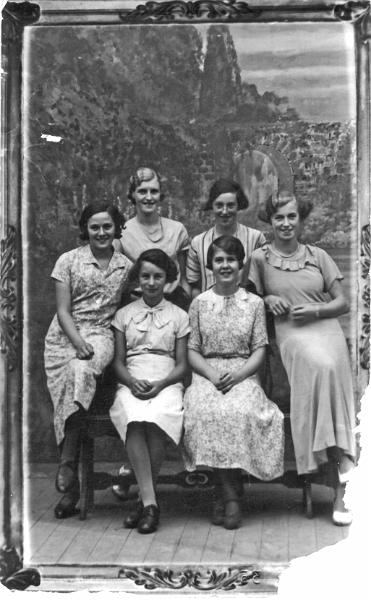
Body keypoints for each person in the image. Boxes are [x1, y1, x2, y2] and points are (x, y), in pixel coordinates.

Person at [248, 191, 356, 526]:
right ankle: (341, 461)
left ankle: (340, 475)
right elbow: (248, 298)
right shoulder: (260, 259)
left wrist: (317, 309)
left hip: (324, 326)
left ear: (301, 220)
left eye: (291, 217)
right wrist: (267, 299)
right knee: (319, 366)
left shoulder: (318, 255)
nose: (285, 223)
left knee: (332, 365)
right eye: (279, 217)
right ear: (270, 221)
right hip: (291, 332)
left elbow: (343, 303)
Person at [182, 235, 284, 530]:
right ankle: (231, 497)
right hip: (207, 374)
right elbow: (193, 349)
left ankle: (222, 494)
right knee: (204, 411)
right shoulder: (200, 303)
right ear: (210, 265)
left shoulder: (252, 303)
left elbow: (260, 349)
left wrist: (239, 376)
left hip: (244, 373)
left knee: (241, 412)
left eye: (231, 260)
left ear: (241, 265)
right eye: (219, 260)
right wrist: (212, 376)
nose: (225, 265)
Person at [44, 202, 132, 519]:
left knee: (82, 371)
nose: (101, 232)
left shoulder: (125, 267)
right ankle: (73, 491)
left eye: (107, 226)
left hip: (100, 336)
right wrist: (76, 342)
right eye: (94, 227)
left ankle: (67, 466)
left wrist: (87, 346)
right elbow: (64, 311)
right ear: (86, 229)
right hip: (64, 337)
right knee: (68, 392)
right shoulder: (67, 261)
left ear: (116, 229)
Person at [109, 249, 190, 534]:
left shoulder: (179, 316)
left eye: (158, 276)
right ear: (138, 279)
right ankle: (150, 504)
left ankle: (145, 503)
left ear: (168, 280)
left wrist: (162, 384)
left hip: (166, 379)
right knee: (132, 415)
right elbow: (118, 362)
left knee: (156, 417)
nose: (152, 282)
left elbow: (182, 365)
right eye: (146, 276)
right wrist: (131, 382)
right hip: (133, 377)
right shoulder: (124, 315)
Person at [114, 166, 191, 310]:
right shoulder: (122, 233)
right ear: (133, 194)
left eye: (154, 191)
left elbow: (185, 281)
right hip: (136, 306)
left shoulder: (177, 230)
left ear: (160, 194)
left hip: (173, 305)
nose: (148, 197)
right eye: (142, 191)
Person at [186, 178, 266, 297]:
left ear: (238, 206)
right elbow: (194, 286)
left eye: (230, 205)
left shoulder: (256, 239)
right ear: (212, 206)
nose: (224, 211)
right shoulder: (198, 243)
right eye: (219, 205)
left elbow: (266, 279)